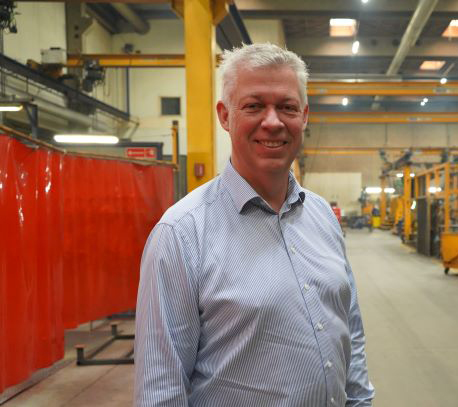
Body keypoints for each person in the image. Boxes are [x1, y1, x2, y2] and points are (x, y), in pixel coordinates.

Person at [134, 43, 374, 407]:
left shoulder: (323, 216)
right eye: (254, 105)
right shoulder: (181, 235)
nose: (273, 121)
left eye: (287, 107)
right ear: (225, 116)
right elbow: (161, 389)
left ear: (304, 116)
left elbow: (349, 330)